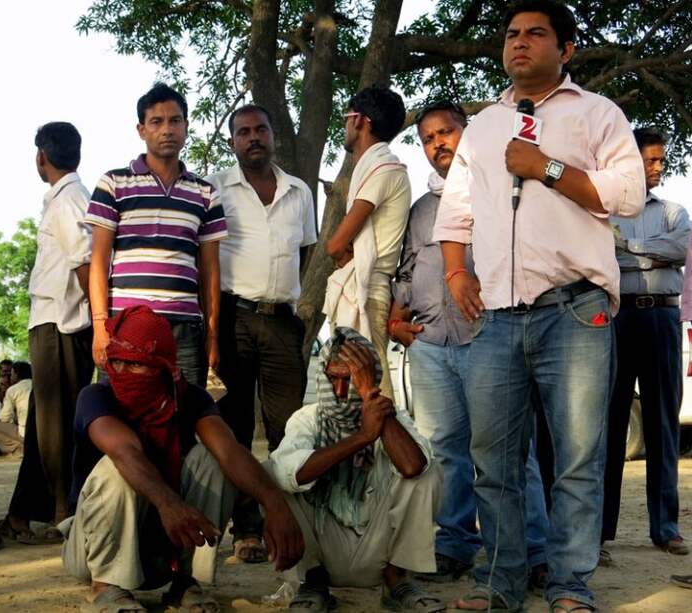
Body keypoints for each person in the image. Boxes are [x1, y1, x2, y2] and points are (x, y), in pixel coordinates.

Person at [432, 2, 646, 610]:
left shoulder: (597, 114)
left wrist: (547, 167)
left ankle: (569, 585)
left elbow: (628, 195)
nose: (519, 43)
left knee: (577, 460)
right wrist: (453, 269)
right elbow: (456, 213)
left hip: (576, 310)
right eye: (511, 35)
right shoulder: (482, 126)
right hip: (496, 315)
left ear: (567, 49)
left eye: (535, 33)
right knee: (493, 461)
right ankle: (499, 583)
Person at [390, 101, 550, 589]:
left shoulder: (501, 193)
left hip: (492, 339)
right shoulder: (420, 210)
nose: (438, 143)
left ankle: (535, 549)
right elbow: (407, 270)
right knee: (445, 451)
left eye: (447, 132)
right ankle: (455, 543)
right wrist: (395, 318)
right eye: (428, 138)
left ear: (468, 135)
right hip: (432, 345)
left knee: (509, 452)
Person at [60, 306, 304, 612]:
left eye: (135, 365)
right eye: (116, 362)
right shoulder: (95, 396)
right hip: (91, 549)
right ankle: (106, 586)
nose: (122, 373)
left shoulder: (190, 398)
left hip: (165, 542)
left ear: (164, 368)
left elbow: (229, 450)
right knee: (117, 466)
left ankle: (185, 581)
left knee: (213, 461)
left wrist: (273, 502)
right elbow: (126, 451)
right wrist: (168, 503)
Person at [205, 104, 317, 563]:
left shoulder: (299, 191)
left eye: (261, 129)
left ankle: (287, 522)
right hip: (232, 317)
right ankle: (246, 529)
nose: (253, 137)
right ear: (233, 141)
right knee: (234, 426)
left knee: (288, 427)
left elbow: (306, 253)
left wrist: (290, 306)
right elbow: (204, 254)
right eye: (244, 131)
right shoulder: (216, 186)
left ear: (273, 136)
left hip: (281, 320)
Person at [267, 328, 443, 612]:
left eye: (349, 380)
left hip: (378, 551)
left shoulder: (392, 417)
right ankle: (312, 583)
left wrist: (369, 396)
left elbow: (413, 466)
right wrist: (362, 437)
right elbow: (291, 474)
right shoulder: (307, 419)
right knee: (274, 475)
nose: (339, 391)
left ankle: (397, 581)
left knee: (428, 472)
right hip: (323, 548)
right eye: (332, 379)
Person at [87, 82, 227, 387]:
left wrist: (212, 335)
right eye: (157, 122)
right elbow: (98, 261)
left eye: (175, 121)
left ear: (186, 127)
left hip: (186, 330)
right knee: (121, 418)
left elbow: (210, 269)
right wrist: (100, 327)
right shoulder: (114, 184)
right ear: (141, 130)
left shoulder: (205, 194)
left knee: (182, 421)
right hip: (126, 327)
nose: (167, 129)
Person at [0, 122, 97, 542]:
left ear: (42, 156)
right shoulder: (63, 198)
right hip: (53, 323)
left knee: (55, 425)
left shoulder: (68, 200)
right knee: (43, 424)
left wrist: (103, 320)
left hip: (63, 325)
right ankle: (22, 513)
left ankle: (64, 510)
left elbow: (86, 260)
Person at [602, 128, 690, 561]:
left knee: (661, 422)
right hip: (616, 317)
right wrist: (652, 254)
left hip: (662, 317)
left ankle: (665, 527)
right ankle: (600, 530)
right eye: (649, 160)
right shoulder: (605, 212)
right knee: (609, 423)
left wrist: (630, 247)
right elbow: (603, 256)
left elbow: (680, 250)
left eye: (661, 160)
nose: (657, 167)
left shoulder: (675, 211)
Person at [323, 86, 411, 399]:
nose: (345, 126)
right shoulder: (373, 167)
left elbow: (335, 246)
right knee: (353, 396)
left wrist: (341, 249)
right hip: (363, 285)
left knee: (374, 392)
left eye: (347, 118)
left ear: (360, 120)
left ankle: (392, 449)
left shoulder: (383, 169)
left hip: (369, 291)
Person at [0, 361, 32, 456]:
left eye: (11, 373)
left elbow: (4, 418)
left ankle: (19, 449)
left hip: (25, 433)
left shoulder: (13, 390)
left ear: (16, 374)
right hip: (45, 434)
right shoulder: (41, 385)